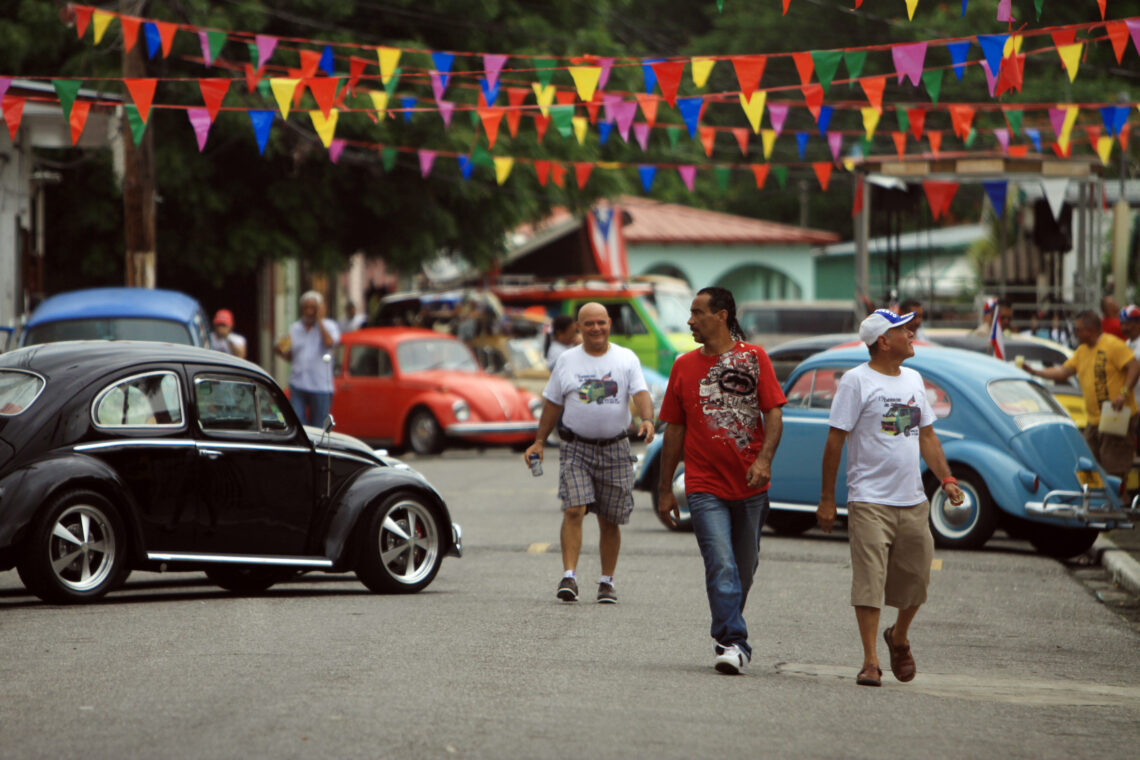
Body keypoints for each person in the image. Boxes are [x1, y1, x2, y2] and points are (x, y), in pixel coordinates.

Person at [817, 308, 964, 688]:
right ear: (883, 341)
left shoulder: (914, 379)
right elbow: (835, 441)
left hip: (912, 499)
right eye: (904, 330)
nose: (912, 334)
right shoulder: (856, 382)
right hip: (868, 500)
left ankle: (898, 636)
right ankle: (870, 661)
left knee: (917, 580)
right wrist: (827, 499)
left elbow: (926, 436)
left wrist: (945, 478)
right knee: (869, 581)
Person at [657, 287, 786, 675]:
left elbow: (774, 415)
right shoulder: (682, 366)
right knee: (722, 566)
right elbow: (674, 431)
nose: (690, 320)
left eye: (697, 312)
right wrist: (665, 489)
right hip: (704, 485)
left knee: (743, 571)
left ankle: (726, 633)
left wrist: (764, 461)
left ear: (722, 315)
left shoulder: (754, 358)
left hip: (750, 487)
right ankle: (732, 642)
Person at [523, 302, 655, 605]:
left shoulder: (626, 358)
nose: (596, 328)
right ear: (579, 328)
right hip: (576, 448)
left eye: (601, 322)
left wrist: (647, 419)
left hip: (616, 448)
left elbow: (640, 393)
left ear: (609, 323)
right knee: (574, 509)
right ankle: (569, 576)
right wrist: (539, 441)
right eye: (589, 324)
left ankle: (607, 582)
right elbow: (553, 403)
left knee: (610, 519)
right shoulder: (567, 361)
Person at [1024, 310, 1140, 482]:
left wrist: (1123, 393)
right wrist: (1035, 372)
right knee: (1088, 467)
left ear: (1090, 330)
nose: (1075, 333)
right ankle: (1097, 505)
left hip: (1116, 418)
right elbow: (1063, 371)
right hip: (1094, 422)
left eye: (1078, 330)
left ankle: (1119, 505)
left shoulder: (1112, 345)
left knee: (1114, 474)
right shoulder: (1082, 351)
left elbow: (1134, 367)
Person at [274, 290, 341, 427]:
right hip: (298, 383)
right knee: (297, 423)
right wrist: (281, 351)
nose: (309, 312)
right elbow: (292, 356)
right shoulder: (295, 328)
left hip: (321, 385)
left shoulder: (329, 326)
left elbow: (329, 343)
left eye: (313, 308)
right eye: (306, 308)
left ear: (320, 309)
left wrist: (320, 320)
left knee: (319, 427)